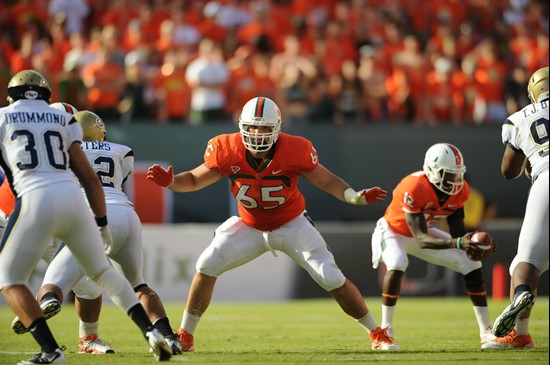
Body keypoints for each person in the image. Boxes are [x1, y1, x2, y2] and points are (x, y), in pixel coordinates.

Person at [146, 96, 398, 352]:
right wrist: (172, 181)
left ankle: (377, 333)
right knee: (206, 264)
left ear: (277, 127)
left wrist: (353, 196)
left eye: (264, 127)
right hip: (249, 225)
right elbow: (193, 180)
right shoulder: (225, 147)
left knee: (331, 277)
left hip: (291, 224)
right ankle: (185, 337)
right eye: (252, 127)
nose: (257, 133)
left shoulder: (295, 149)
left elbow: (328, 181)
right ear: (242, 125)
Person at [0, 70, 172, 364]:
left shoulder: (4, 117)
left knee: (11, 278)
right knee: (102, 273)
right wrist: (102, 223)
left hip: (31, 202)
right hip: (72, 202)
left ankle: (50, 346)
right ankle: (151, 332)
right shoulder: (64, 121)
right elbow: (91, 179)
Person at [8, 102, 114, 355]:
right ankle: (48, 309)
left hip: (38, 218)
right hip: (27, 216)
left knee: (88, 285)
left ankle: (83, 336)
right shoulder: (62, 147)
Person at [370, 142, 496, 350]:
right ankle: (385, 334)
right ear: (432, 170)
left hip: (423, 232)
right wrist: (458, 242)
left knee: (471, 264)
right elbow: (421, 238)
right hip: (392, 231)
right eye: (449, 174)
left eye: (457, 174)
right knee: (398, 262)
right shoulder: (413, 186)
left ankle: (487, 333)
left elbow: (457, 233)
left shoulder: (461, 190)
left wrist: (473, 246)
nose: (455, 181)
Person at [483, 66, 549, 349]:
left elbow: (508, 170)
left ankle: (519, 331)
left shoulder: (521, 117)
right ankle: (520, 335)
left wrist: (528, 162)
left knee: (526, 263)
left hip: (546, 178)